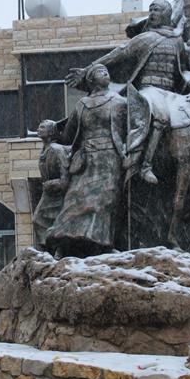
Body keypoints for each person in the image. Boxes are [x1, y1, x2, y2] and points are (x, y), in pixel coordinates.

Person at [66, 0, 190, 185]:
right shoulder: (145, 38)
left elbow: (184, 66)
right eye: (151, 10)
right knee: (160, 116)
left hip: (170, 93)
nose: (152, 13)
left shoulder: (177, 40)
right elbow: (117, 54)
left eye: (157, 10)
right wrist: (87, 70)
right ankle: (144, 165)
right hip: (148, 91)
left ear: (167, 13)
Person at [45, 64, 127, 258]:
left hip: (110, 157)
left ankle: (102, 244)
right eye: (99, 71)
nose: (105, 73)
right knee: (75, 199)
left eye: (106, 71)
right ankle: (62, 242)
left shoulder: (120, 101)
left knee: (105, 200)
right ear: (91, 80)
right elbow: (69, 135)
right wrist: (53, 133)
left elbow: (131, 129)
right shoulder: (82, 104)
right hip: (86, 158)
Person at [32, 119, 70, 250]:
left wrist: (53, 184)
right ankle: (49, 247)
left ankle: (56, 248)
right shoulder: (45, 150)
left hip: (58, 193)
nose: (38, 129)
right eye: (39, 127)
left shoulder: (56, 149)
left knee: (53, 222)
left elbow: (65, 177)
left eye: (42, 127)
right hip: (49, 193)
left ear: (51, 132)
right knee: (38, 220)